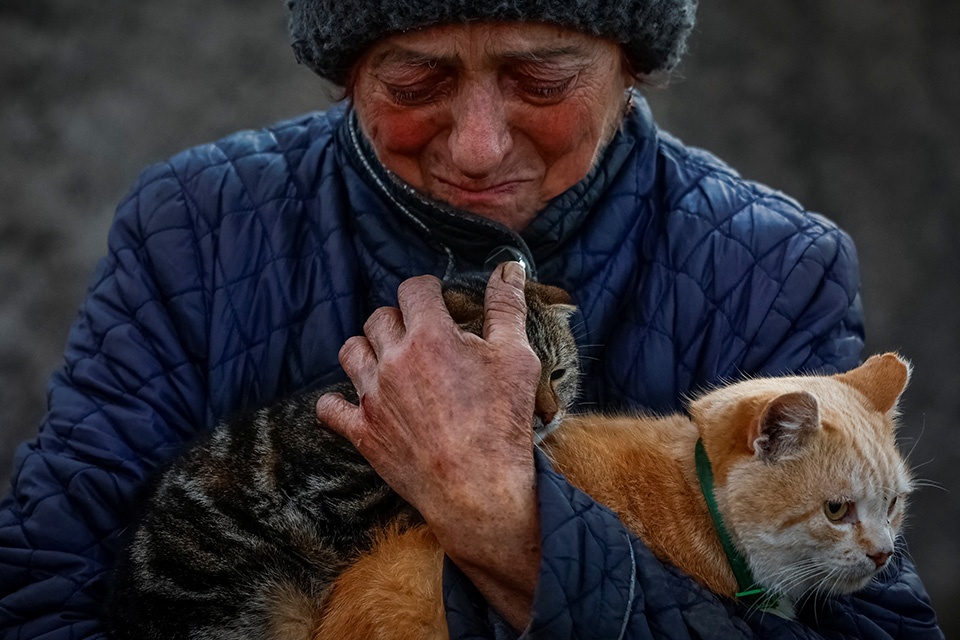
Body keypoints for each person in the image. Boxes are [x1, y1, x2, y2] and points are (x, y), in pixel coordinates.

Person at [0, 0, 942, 638]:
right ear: (345, 75)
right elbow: (41, 582)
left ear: (635, 67)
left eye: (541, 80)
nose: (480, 146)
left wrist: (505, 525)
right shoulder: (196, 225)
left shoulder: (767, 265)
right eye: (414, 84)